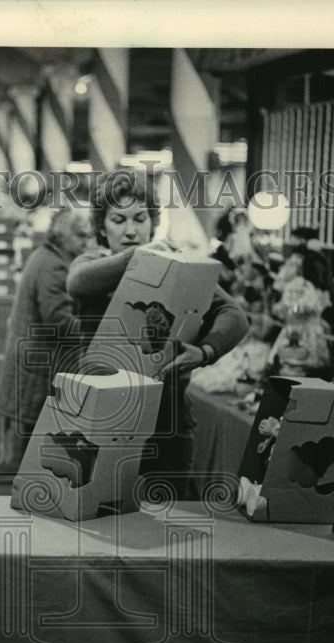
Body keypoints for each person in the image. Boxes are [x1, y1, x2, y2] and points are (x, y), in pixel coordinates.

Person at [67, 171, 248, 488]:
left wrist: (205, 351)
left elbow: (234, 314)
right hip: (104, 416)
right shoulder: (93, 263)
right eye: (118, 220)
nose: (131, 230)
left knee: (171, 520)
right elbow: (77, 282)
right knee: (100, 517)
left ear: (152, 221)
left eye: (139, 218)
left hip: (168, 421)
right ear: (100, 226)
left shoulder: (175, 267)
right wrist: (137, 258)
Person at [0, 207, 90, 467]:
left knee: (27, 442)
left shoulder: (44, 256)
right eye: (81, 236)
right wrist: (95, 332)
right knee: (32, 449)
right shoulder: (55, 266)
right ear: (62, 236)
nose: (86, 243)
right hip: (36, 371)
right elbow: (58, 322)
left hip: (30, 366)